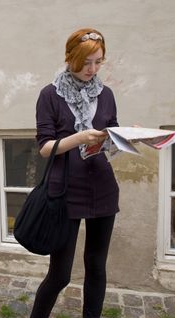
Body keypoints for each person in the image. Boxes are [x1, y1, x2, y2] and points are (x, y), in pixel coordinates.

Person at [31, 28, 119, 318]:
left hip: (102, 187)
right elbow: (45, 147)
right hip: (65, 190)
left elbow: (111, 134)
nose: (91, 70)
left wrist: (126, 137)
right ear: (70, 57)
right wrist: (80, 138)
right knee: (60, 275)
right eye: (85, 62)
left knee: (96, 268)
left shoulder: (105, 94)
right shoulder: (50, 95)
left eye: (98, 62)